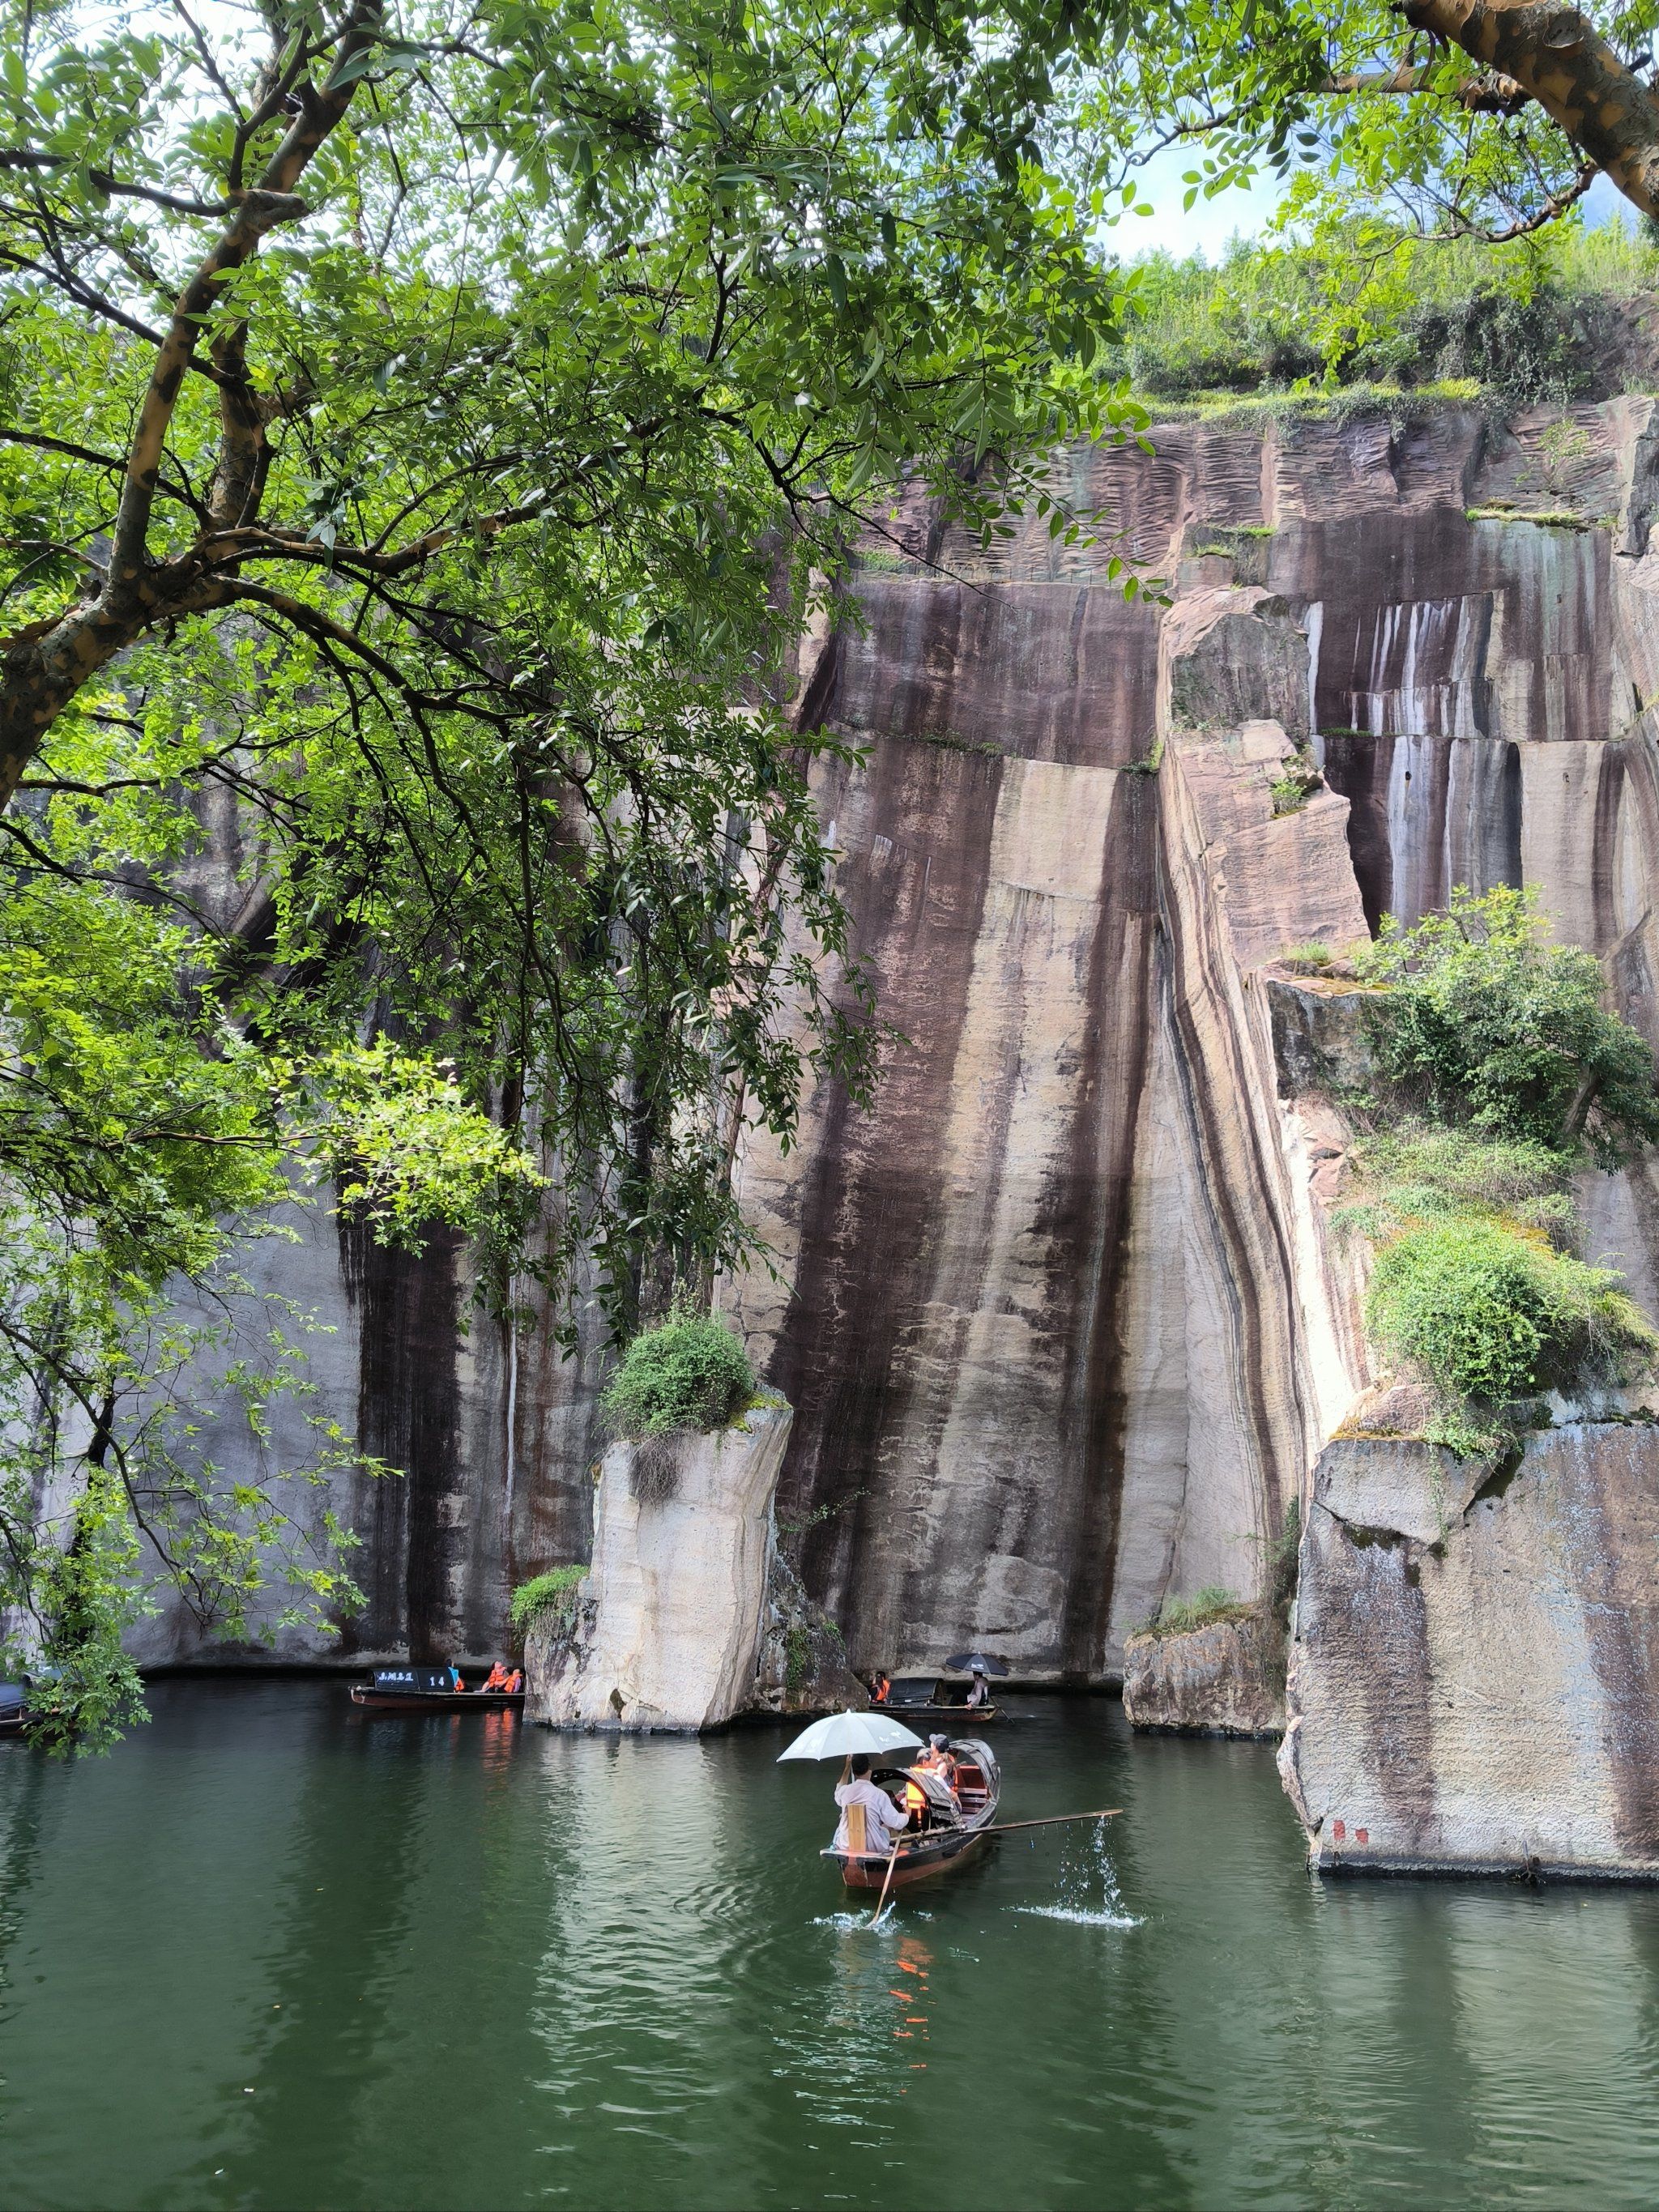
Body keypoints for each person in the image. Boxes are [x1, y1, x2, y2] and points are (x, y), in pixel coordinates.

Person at [833, 1754, 909, 1856]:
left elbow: (839, 1789)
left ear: (854, 1772)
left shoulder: (844, 1792)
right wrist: (907, 1815)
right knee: (886, 1827)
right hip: (874, 1848)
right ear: (869, 1768)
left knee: (839, 1829)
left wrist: (847, 1767)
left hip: (845, 1845)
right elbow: (897, 1823)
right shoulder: (879, 1795)